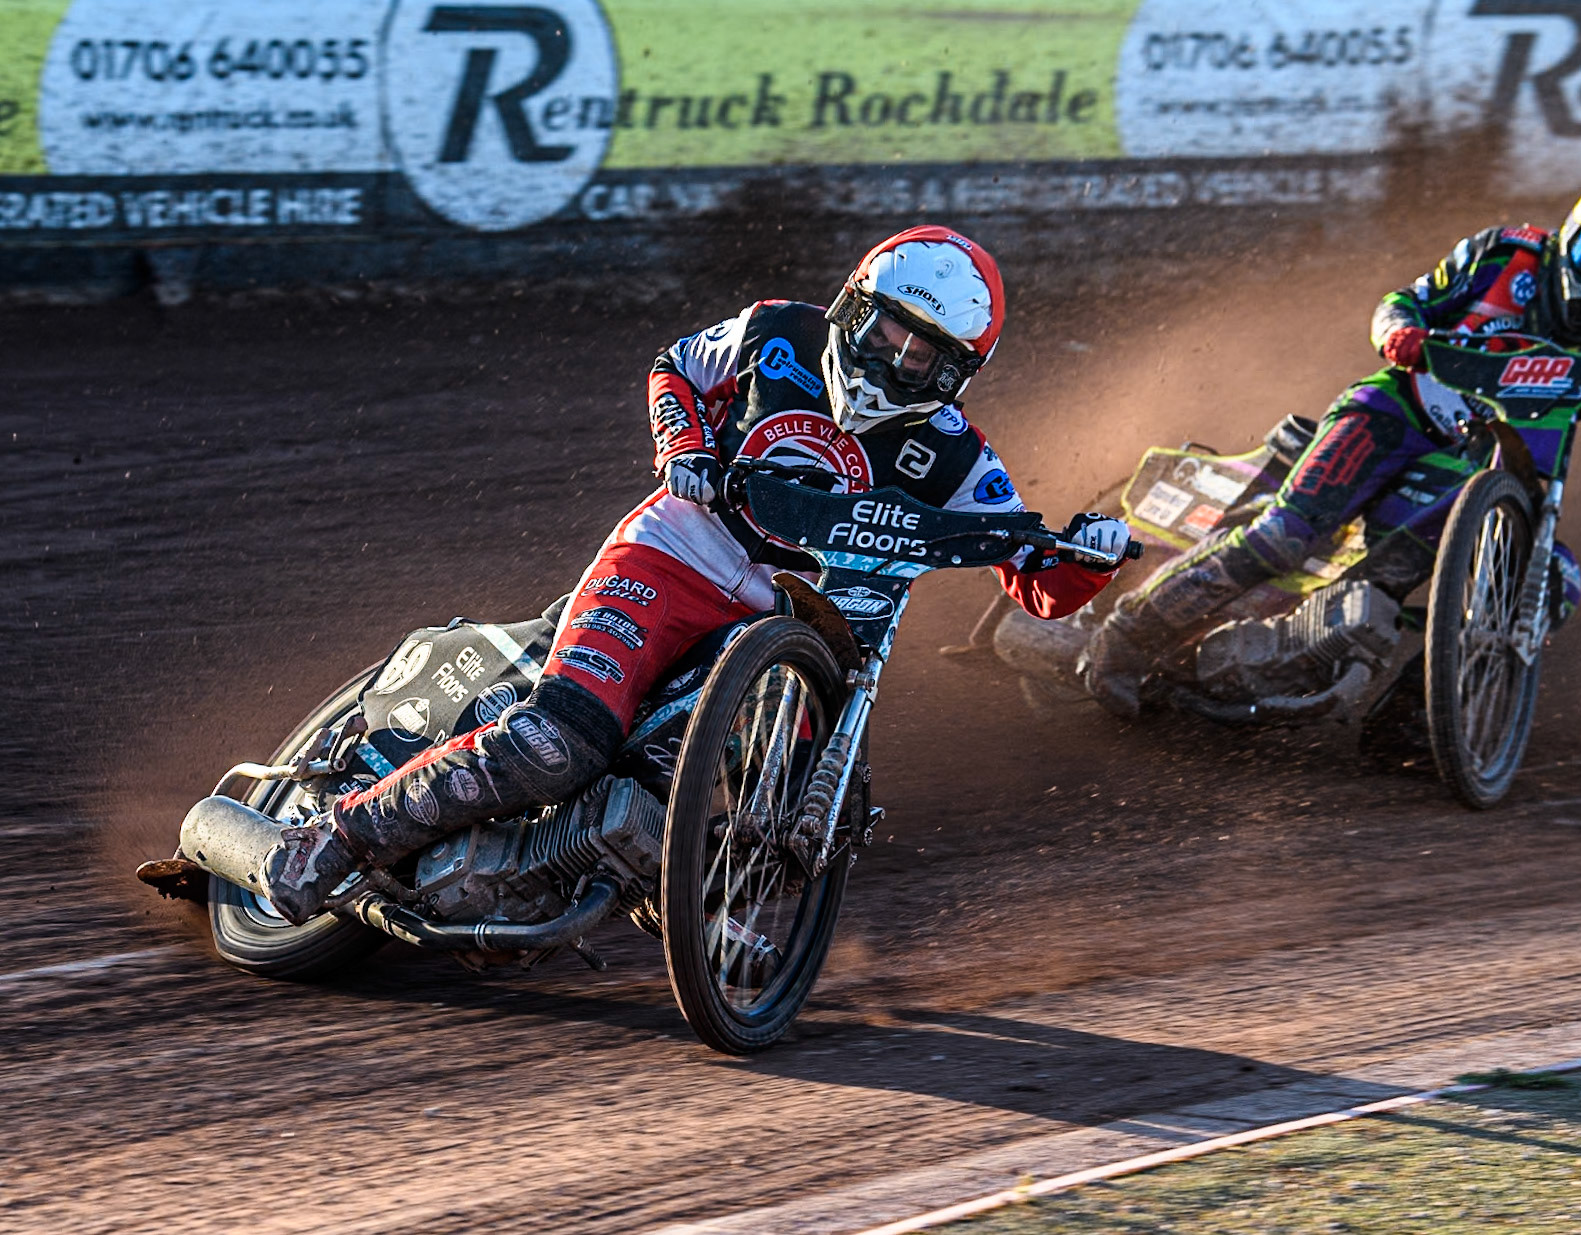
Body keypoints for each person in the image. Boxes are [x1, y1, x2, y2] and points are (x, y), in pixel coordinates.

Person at [259, 225, 1132, 924]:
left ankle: (683, 905)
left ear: (957, 374)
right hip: (674, 555)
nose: (890, 359)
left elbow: (1036, 576)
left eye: (919, 356)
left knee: (753, 795)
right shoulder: (775, 332)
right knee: (555, 745)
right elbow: (676, 366)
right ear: (851, 306)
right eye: (885, 331)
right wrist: (685, 447)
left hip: (786, 628)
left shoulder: (959, 459)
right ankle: (332, 840)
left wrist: (1087, 553)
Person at [1082, 165, 1581, 718]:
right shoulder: (1503, 255)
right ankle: (1129, 634)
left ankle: (1418, 726)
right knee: (1285, 535)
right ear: (1573, 231)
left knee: (1543, 582)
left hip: (1469, 474)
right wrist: (1399, 332)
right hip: (1394, 413)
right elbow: (1404, 302)